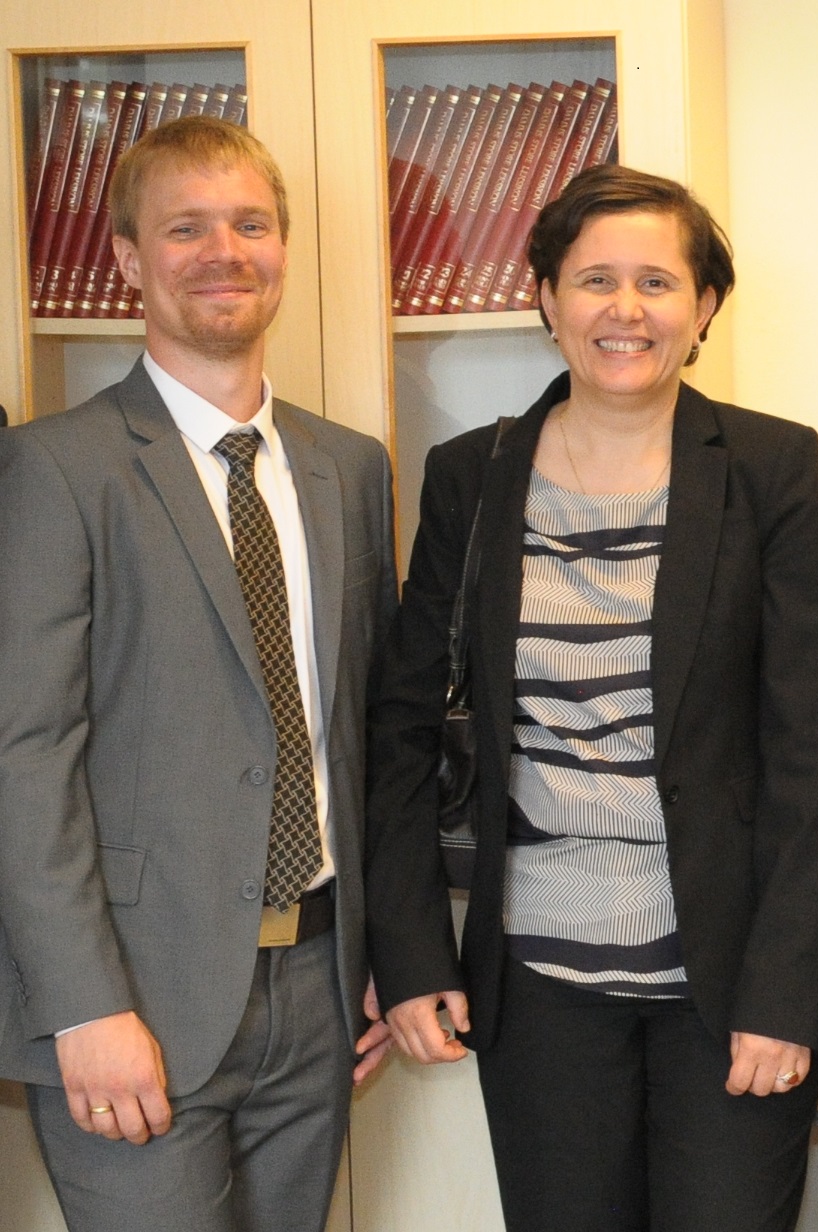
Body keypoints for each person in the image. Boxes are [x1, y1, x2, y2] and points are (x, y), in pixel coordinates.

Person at [365, 163, 818, 1231]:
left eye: (656, 280)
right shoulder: (472, 473)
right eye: (594, 278)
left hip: (730, 981)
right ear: (546, 299)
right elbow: (404, 725)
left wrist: (783, 995)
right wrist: (410, 954)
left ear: (703, 309)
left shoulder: (769, 465)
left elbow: (805, 741)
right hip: (536, 981)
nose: (625, 309)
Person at [0, 116, 398, 1232]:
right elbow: (23, 755)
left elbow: (363, 732)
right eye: (185, 227)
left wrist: (378, 950)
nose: (223, 250)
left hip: (320, 993)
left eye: (250, 223)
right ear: (127, 258)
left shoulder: (348, 469)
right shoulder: (53, 469)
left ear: (282, 246)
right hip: (134, 998)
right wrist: (83, 1005)